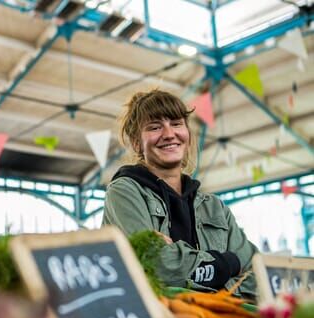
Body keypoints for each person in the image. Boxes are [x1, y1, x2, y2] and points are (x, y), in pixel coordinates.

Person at [102, 89, 258, 297]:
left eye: (176, 124)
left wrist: (218, 297)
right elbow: (158, 265)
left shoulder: (214, 207)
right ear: (137, 142)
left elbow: (257, 273)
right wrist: (228, 263)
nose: (168, 134)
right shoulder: (124, 192)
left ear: (187, 135)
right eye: (155, 127)